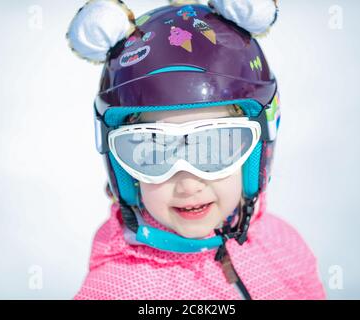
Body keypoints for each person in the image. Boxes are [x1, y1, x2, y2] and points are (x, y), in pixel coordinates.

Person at [67, 0, 326, 300]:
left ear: (257, 152)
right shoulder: (115, 292)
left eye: (214, 146)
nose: (188, 184)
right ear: (122, 169)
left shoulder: (284, 248)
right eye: (155, 152)